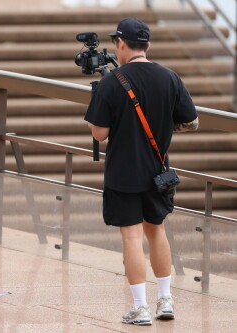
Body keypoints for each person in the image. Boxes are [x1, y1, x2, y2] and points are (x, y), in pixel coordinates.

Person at [84, 18, 198, 325]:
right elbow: (191, 121)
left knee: (132, 238)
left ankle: (140, 307)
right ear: (146, 45)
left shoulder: (111, 82)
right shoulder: (169, 77)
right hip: (157, 172)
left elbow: (98, 134)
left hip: (124, 172)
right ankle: (165, 300)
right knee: (156, 231)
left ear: (121, 44)